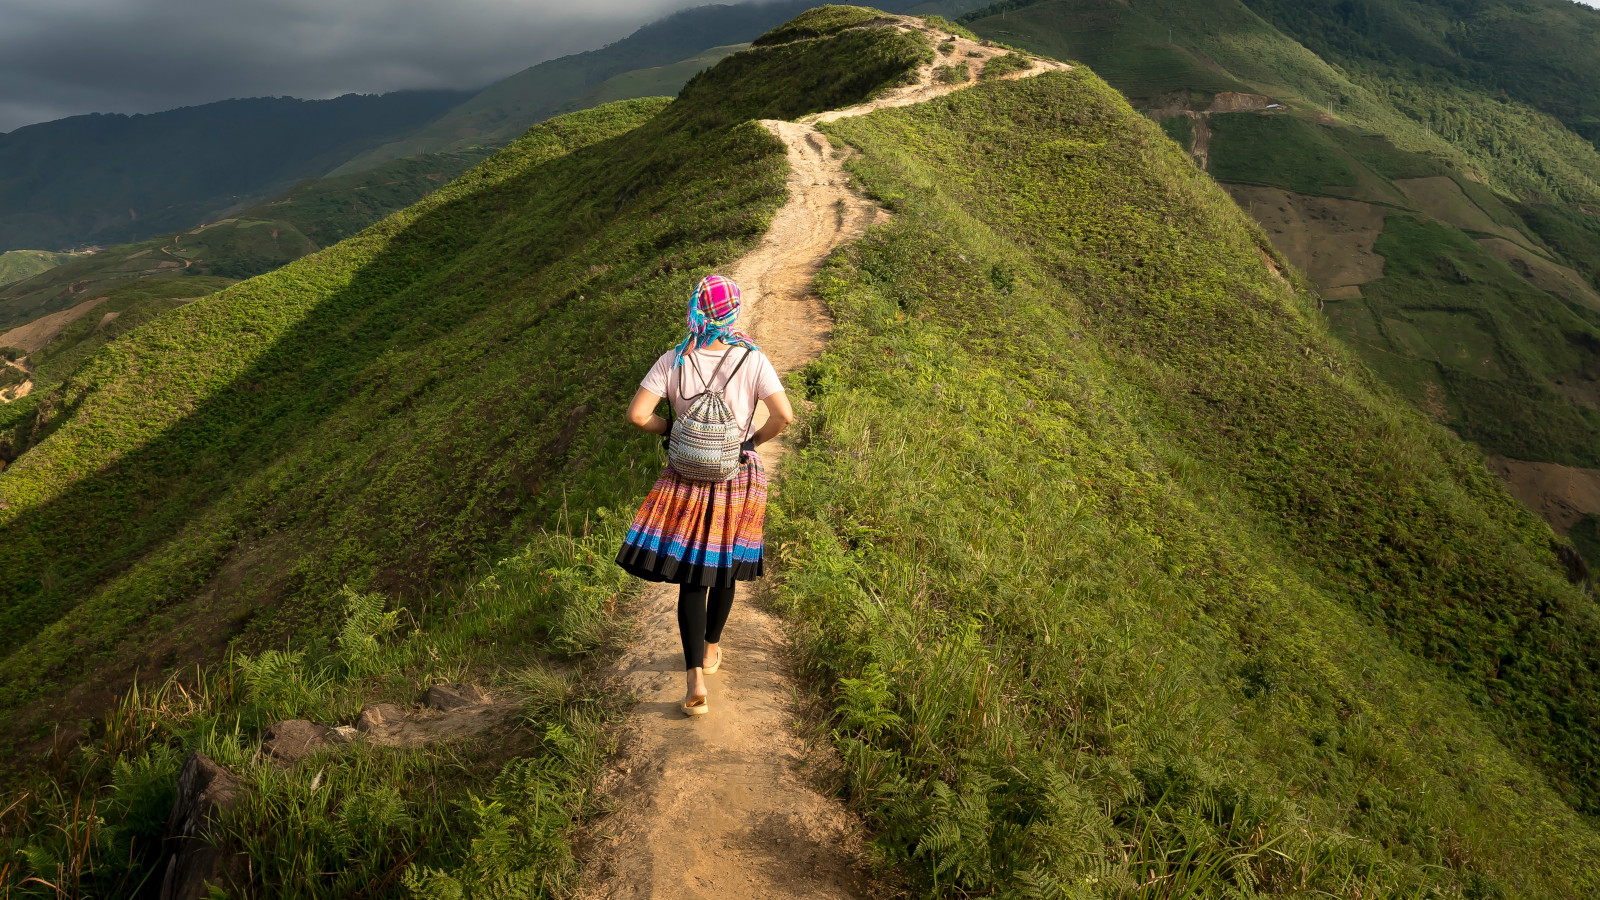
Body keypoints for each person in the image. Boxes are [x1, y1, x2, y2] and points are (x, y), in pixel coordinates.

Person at [617, 274, 795, 716]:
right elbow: (784, 416)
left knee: (693, 577)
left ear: (697, 308)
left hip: (686, 478)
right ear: (732, 310)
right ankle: (712, 648)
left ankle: (694, 678)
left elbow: (638, 415)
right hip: (736, 477)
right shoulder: (752, 359)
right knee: (725, 569)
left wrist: (671, 430)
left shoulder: (675, 360)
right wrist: (749, 442)